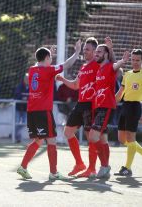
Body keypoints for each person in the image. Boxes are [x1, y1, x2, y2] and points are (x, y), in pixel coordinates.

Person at [17, 40, 81, 180]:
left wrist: (48, 54)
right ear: (46, 59)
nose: (51, 60)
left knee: (38, 141)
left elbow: (40, 64)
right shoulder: (48, 70)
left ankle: (23, 167)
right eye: (50, 58)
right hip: (43, 111)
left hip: (32, 110)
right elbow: (66, 65)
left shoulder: (32, 69)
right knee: (51, 140)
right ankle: (53, 173)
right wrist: (77, 52)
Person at [56, 37, 99, 178]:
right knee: (68, 132)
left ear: (95, 51)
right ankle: (80, 163)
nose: (84, 51)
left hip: (91, 105)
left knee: (90, 137)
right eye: (84, 49)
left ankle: (92, 169)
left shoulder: (98, 65)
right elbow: (75, 85)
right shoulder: (83, 67)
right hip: (80, 103)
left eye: (87, 49)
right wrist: (62, 80)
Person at [88, 40, 129, 179]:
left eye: (99, 51)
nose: (96, 54)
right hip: (98, 107)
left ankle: (104, 166)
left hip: (106, 107)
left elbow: (117, 65)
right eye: (95, 52)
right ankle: (105, 167)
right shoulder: (99, 69)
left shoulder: (110, 66)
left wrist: (120, 58)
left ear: (105, 54)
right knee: (103, 139)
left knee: (93, 136)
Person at [114, 49, 142, 176]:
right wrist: (111, 100)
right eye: (133, 60)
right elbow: (120, 93)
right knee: (121, 138)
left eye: (138, 60)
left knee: (131, 138)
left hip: (135, 106)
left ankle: (127, 168)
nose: (135, 62)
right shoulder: (127, 74)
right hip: (125, 106)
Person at [14, 73, 29, 142]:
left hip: (26, 109)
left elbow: (32, 96)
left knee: (24, 123)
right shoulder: (20, 86)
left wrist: (27, 98)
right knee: (16, 122)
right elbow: (16, 95)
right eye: (26, 78)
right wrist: (22, 98)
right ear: (23, 79)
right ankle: (17, 138)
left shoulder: (32, 87)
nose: (27, 80)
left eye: (28, 78)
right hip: (18, 108)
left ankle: (16, 135)